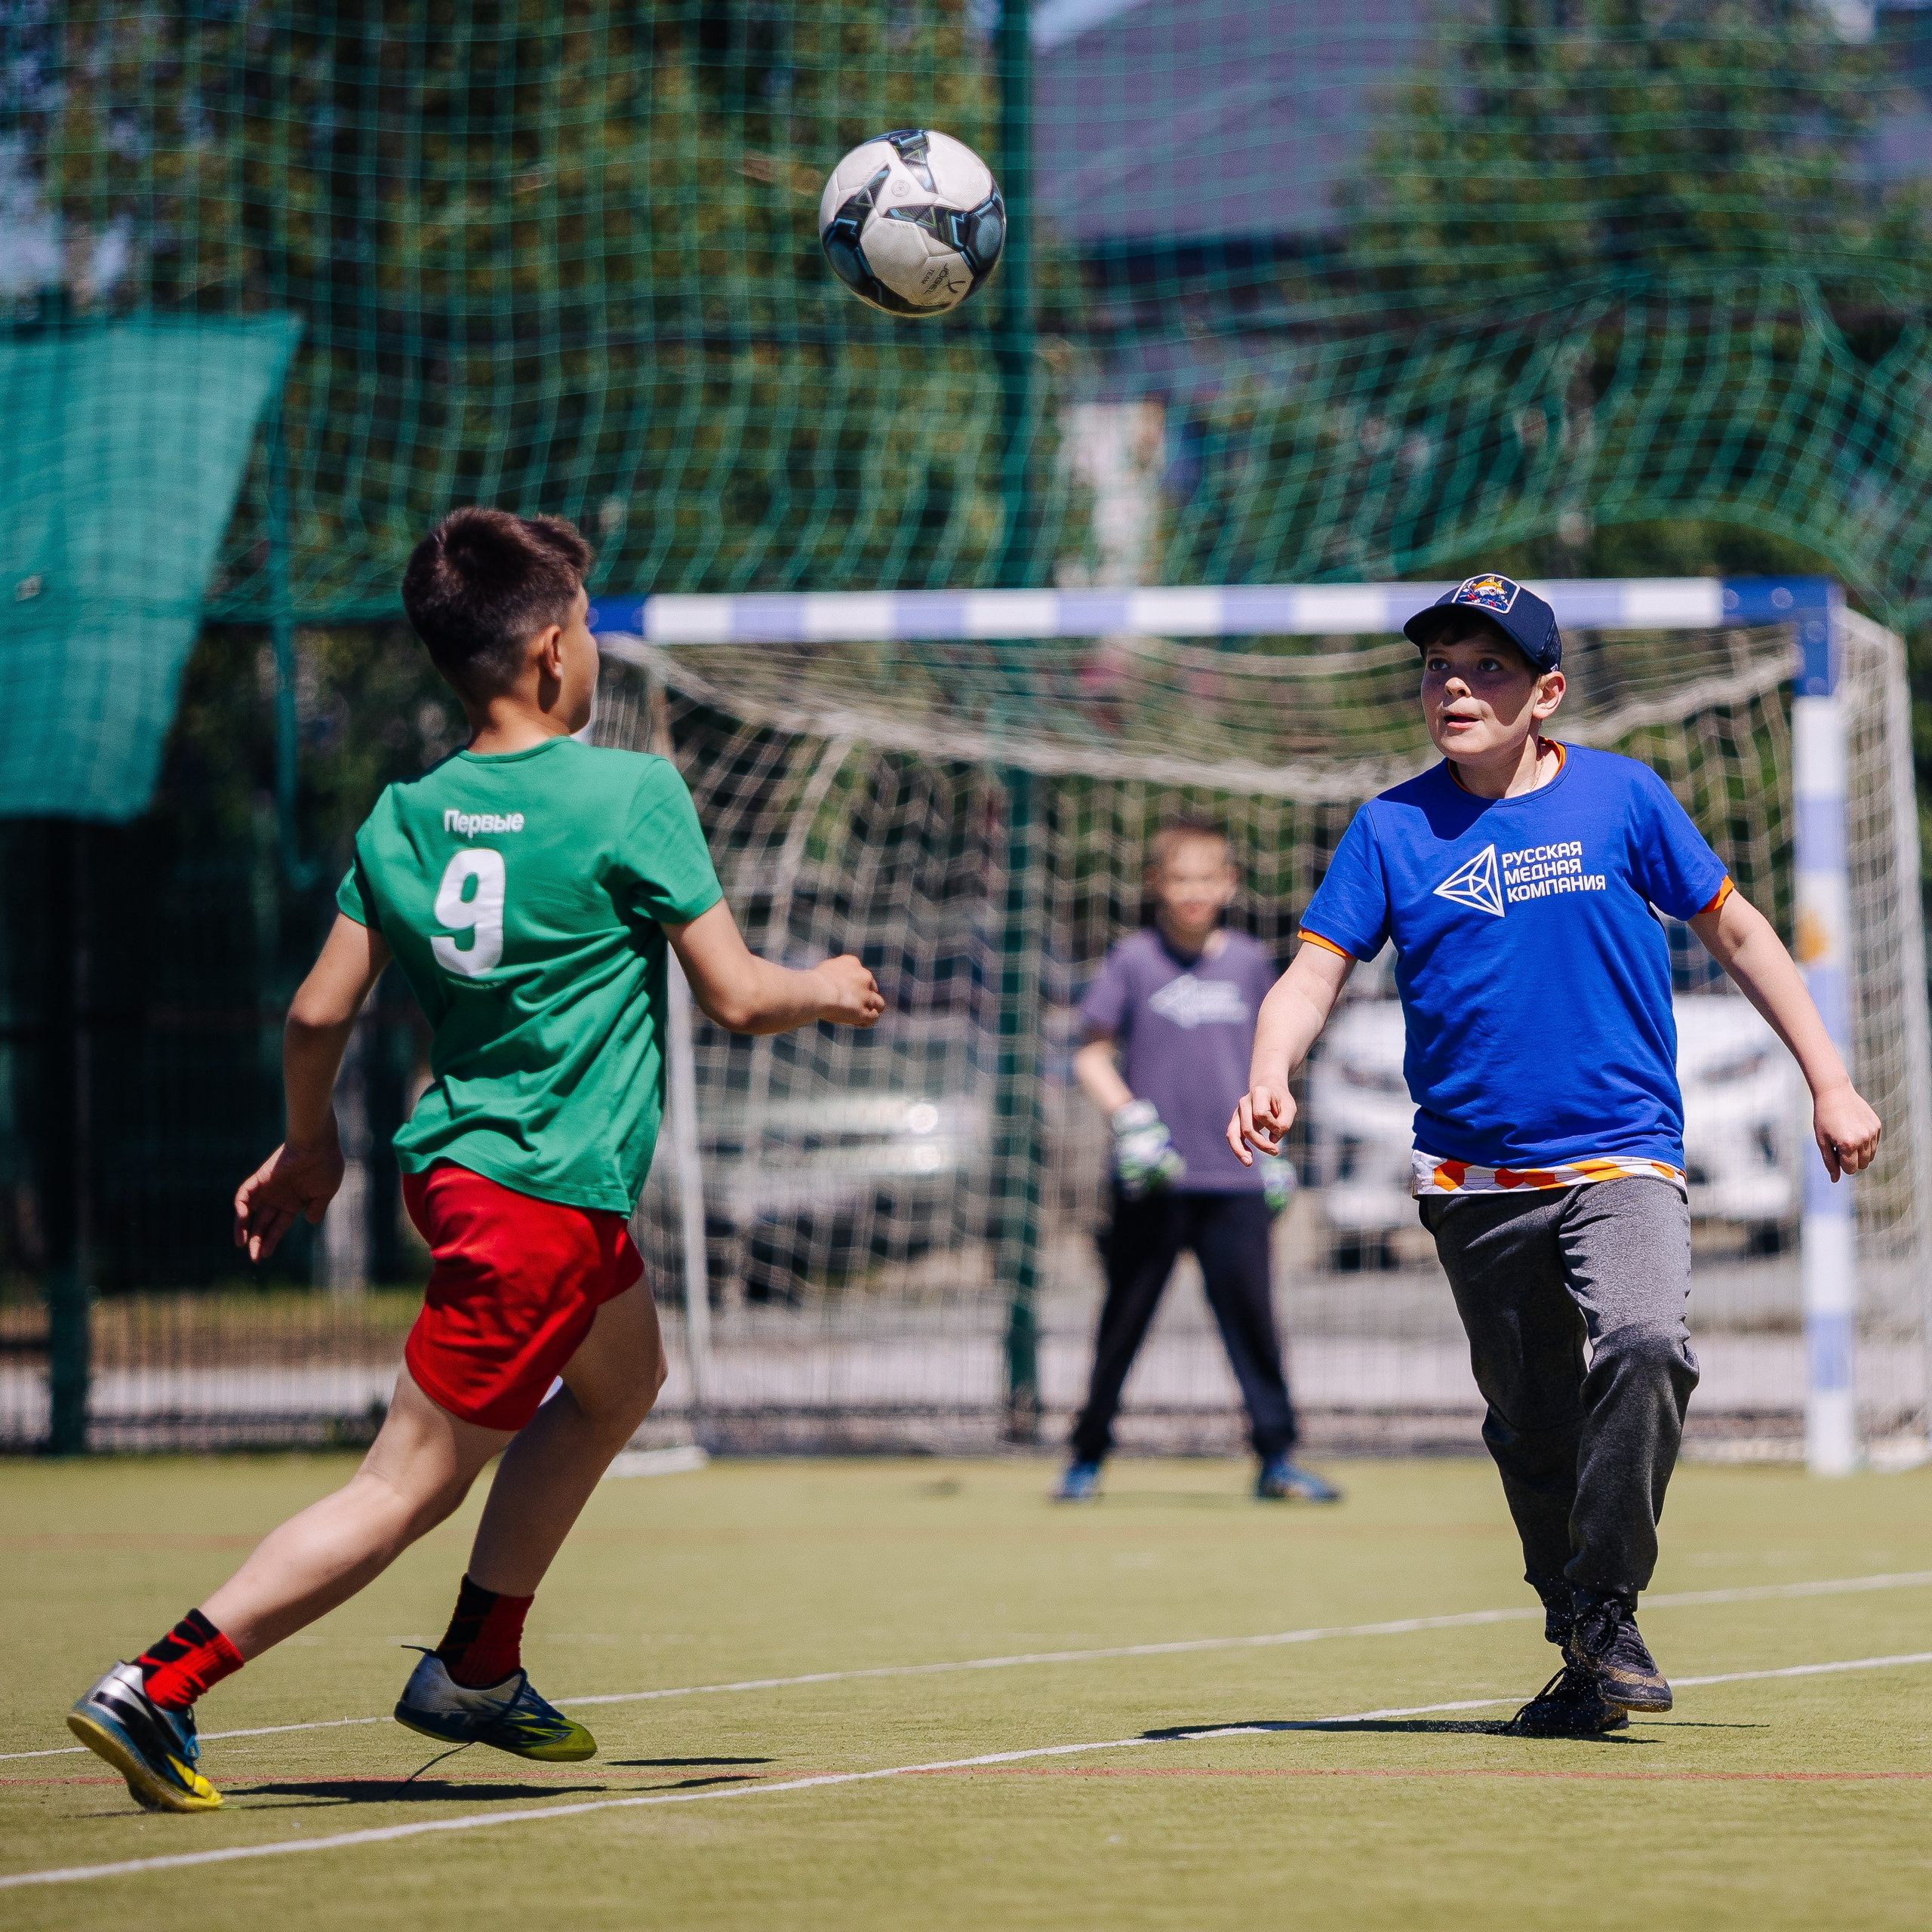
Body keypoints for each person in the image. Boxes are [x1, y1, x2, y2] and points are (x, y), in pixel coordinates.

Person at [66, 508, 884, 1813]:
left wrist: (308, 1141)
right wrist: (827, 987)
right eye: (595, 632)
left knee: (624, 1380)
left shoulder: (406, 813)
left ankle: (476, 1667)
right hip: (543, 1198)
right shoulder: (630, 792)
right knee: (402, 1485)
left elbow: (316, 1013)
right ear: (557, 651)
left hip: (480, 1173)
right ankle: (161, 1684)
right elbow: (735, 998)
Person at [1227, 572, 1881, 1736]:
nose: (1456, 688)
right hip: (1474, 1188)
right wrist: (1270, 1069)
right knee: (1531, 1425)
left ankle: (1607, 1599)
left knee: (1641, 1343)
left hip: (1623, 1160)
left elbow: (1738, 929)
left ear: (1548, 693)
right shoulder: (1389, 828)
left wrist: (1828, 1079)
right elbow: (1314, 973)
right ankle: (1582, 1643)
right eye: (1438, 668)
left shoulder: (1626, 799)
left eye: (1486, 669)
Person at [1056, 815, 1340, 1506]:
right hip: (1153, 1182)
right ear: (1156, 883)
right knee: (1122, 1321)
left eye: (1206, 878)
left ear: (1228, 884)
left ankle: (1276, 1457)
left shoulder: (1247, 961)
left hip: (1235, 1178)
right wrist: (1129, 1118)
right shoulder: (1131, 961)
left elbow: (1273, 1054)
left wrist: (1273, 1147)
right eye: (1179, 878)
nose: (1192, 891)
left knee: (1254, 1324)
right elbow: (1090, 1053)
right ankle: (1086, 1458)